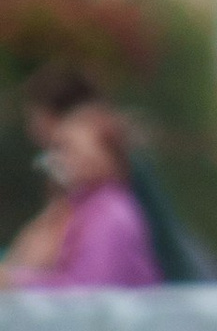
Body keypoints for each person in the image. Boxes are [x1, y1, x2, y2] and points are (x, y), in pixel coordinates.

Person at [2, 63, 162, 291]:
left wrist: (15, 282)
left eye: (70, 148)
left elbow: (90, 293)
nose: (60, 158)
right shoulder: (81, 207)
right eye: (60, 148)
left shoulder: (111, 212)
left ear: (107, 154)